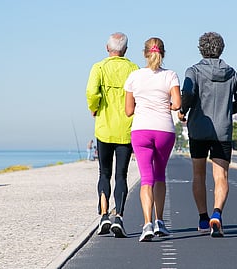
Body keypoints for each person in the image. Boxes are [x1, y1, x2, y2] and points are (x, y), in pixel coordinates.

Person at [178, 32, 237, 237]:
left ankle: (203, 218)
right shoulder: (231, 73)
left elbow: (189, 93)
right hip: (223, 131)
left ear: (201, 48)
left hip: (198, 129)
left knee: (199, 175)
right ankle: (217, 215)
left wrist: (183, 110)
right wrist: (228, 110)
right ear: (221, 49)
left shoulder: (193, 71)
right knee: (221, 176)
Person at [124, 37, 181, 242]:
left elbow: (129, 111)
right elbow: (177, 103)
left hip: (141, 131)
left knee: (146, 178)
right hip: (165, 131)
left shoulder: (134, 76)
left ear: (144, 54)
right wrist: (166, 106)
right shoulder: (170, 75)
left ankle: (147, 224)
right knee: (160, 175)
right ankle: (160, 222)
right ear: (162, 53)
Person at [86, 32, 139, 238]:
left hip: (104, 129)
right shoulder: (133, 69)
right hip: (126, 129)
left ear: (107, 48)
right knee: (121, 175)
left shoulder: (98, 67)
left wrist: (95, 106)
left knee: (104, 173)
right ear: (125, 50)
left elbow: (91, 92)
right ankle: (120, 217)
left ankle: (104, 215)